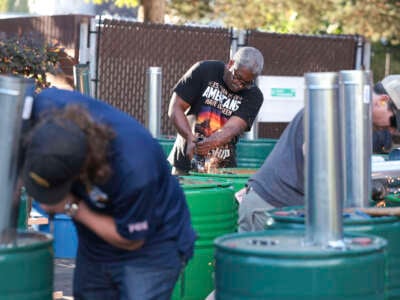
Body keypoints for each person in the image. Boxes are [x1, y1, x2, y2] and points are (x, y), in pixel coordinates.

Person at [21, 88, 196, 299]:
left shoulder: (133, 169)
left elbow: (131, 239)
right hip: (96, 243)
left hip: (151, 247)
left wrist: (69, 206)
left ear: (81, 171)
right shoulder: (42, 108)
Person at [237, 75, 400, 232]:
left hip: (287, 209)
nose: (392, 130)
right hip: (269, 209)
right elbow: (316, 158)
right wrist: (359, 186)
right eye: (394, 123)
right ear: (383, 101)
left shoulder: (358, 115)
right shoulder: (337, 109)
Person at [167, 46, 264, 175]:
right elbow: (175, 107)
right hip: (185, 162)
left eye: (246, 83)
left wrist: (210, 143)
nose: (239, 85)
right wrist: (189, 137)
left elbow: (232, 128)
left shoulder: (254, 95)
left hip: (223, 169)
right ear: (231, 63)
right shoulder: (204, 70)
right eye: (237, 77)